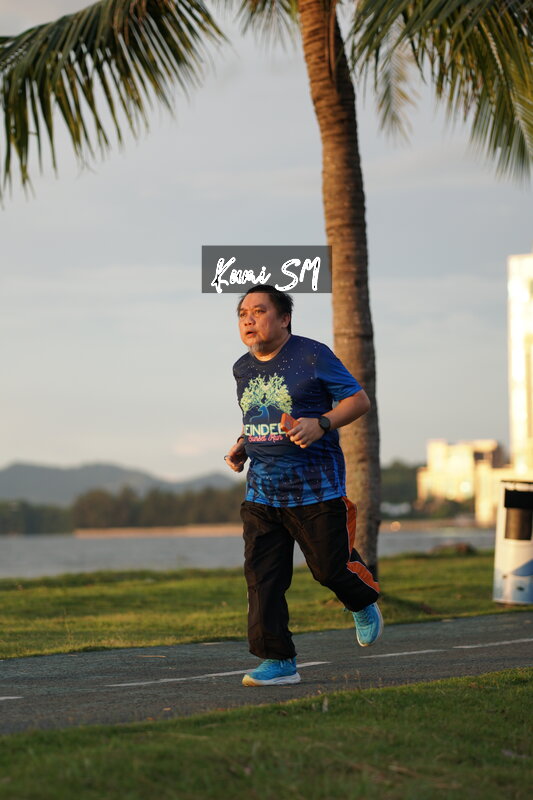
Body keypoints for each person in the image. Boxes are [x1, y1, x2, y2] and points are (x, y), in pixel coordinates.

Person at [225, 285, 382, 686]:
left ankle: (361, 601)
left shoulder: (313, 355)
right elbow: (256, 415)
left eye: (259, 311)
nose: (249, 319)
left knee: (329, 570)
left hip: (316, 490)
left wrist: (322, 423)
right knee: (262, 580)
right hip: (261, 494)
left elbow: (358, 400)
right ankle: (278, 661)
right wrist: (243, 444)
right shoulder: (242, 367)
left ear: (284, 318)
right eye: (243, 313)